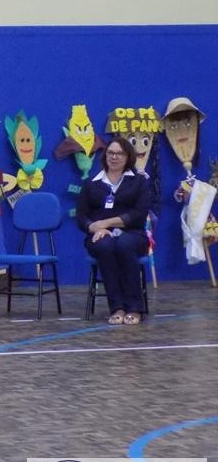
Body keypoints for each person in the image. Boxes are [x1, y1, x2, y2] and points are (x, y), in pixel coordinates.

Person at [76, 136, 151, 325]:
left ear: (128, 157)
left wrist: (105, 223)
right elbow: (81, 216)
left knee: (124, 245)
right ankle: (117, 308)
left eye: (119, 153)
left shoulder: (139, 182)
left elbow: (139, 215)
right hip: (99, 236)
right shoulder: (91, 183)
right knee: (105, 246)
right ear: (105, 155)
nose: (114, 157)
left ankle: (134, 308)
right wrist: (93, 227)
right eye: (110, 153)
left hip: (133, 234)